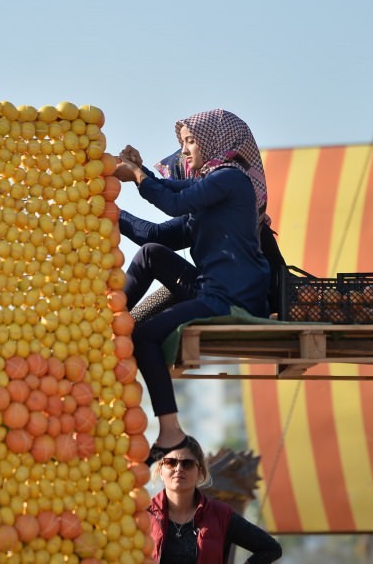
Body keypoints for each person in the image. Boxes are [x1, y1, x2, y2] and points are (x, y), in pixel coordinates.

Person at [114, 109, 271, 465]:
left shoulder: (232, 180)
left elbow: (174, 201)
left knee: (146, 336)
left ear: (216, 141)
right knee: (153, 253)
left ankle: (171, 431)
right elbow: (155, 233)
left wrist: (139, 176)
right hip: (208, 290)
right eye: (182, 143)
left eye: (190, 141)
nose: (185, 151)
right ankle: (108, 318)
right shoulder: (210, 198)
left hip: (231, 297)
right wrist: (110, 208)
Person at [122, 125, 285, 320]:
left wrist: (136, 178)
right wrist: (137, 173)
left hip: (239, 302)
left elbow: (169, 210)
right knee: (146, 307)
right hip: (214, 292)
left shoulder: (226, 198)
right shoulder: (207, 210)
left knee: (145, 322)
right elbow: (156, 235)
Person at [148, 435, 282, 563]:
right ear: (160, 470)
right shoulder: (143, 513)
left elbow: (271, 548)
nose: (178, 469)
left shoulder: (221, 515)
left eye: (187, 464)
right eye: (171, 462)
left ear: (200, 472)